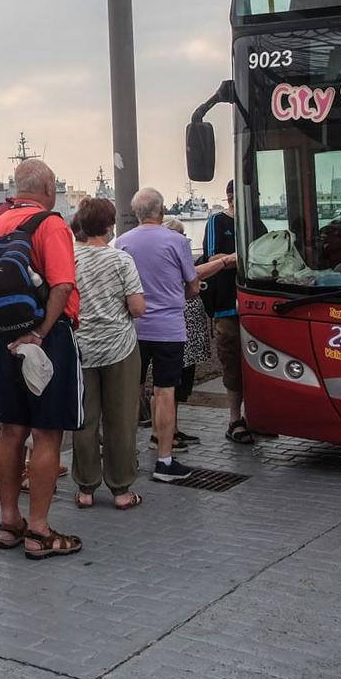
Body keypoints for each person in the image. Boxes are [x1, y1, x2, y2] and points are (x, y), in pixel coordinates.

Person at [0, 159, 84, 560]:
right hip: (48, 338)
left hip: (3, 340)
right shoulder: (51, 224)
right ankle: (39, 531)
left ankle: (9, 523)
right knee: (47, 433)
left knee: (11, 431)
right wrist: (39, 334)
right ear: (47, 187)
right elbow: (62, 286)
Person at [115, 189, 202, 480]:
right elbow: (193, 286)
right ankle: (164, 461)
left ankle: (126, 456)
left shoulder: (122, 242)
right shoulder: (177, 241)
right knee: (165, 392)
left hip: (134, 329)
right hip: (169, 329)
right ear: (161, 211)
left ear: (136, 212)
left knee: (131, 391)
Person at [69, 198, 146, 509]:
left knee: (85, 421)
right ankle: (121, 490)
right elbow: (137, 307)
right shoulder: (121, 261)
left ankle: (86, 489)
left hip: (81, 349)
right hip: (120, 349)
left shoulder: (70, 259)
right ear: (109, 225)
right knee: (121, 420)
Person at [203, 182, 259, 444]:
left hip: (257, 304)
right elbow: (211, 259)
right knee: (232, 362)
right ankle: (234, 419)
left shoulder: (258, 223)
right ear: (230, 198)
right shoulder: (217, 221)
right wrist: (239, 258)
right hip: (227, 305)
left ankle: (256, 416)